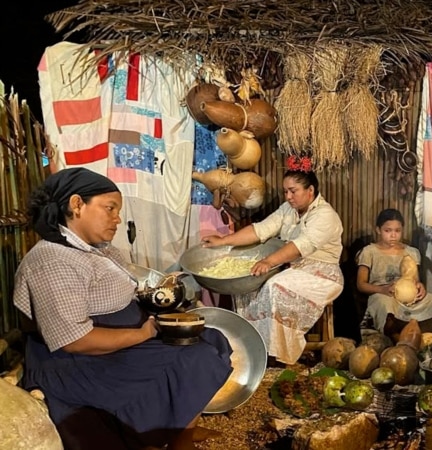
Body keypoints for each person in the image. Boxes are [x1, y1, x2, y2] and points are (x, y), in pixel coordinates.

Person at [13, 167, 233, 450]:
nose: (117, 218)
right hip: (83, 362)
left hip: (121, 342)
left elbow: (127, 288)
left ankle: (179, 430)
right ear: (77, 204)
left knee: (210, 339)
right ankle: (165, 435)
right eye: (110, 208)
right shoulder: (51, 260)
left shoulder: (99, 249)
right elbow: (75, 341)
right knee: (194, 356)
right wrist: (143, 334)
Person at [202, 156, 344, 364]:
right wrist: (223, 241)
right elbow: (262, 229)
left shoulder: (325, 216)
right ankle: (254, 346)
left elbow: (298, 247)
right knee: (247, 284)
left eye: (293, 191)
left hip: (323, 274)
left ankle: (280, 356)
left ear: (310, 190)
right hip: (293, 268)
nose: (288, 196)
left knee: (276, 285)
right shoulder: (289, 209)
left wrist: (268, 262)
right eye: (285, 191)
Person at [356, 208, 432, 340]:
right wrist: (383, 289)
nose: (393, 235)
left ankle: (421, 337)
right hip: (383, 294)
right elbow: (361, 284)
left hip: (409, 298)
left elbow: (414, 280)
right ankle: (397, 338)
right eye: (387, 231)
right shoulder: (369, 251)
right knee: (385, 307)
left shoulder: (411, 252)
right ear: (378, 230)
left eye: (397, 231)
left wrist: (419, 287)